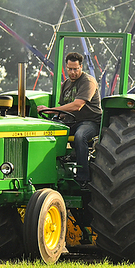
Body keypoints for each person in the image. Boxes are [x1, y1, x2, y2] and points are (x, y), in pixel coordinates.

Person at [37, 52, 102, 187]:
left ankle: (82, 177)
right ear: (66, 67)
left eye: (75, 69)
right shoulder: (66, 84)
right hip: (71, 121)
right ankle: (47, 172)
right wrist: (50, 117)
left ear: (81, 67)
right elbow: (63, 110)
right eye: (69, 69)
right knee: (46, 132)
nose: (72, 72)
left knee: (80, 136)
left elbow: (77, 105)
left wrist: (50, 109)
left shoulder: (88, 81)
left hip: (90, 121)